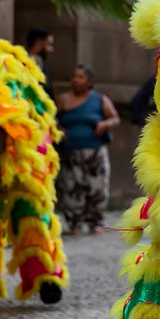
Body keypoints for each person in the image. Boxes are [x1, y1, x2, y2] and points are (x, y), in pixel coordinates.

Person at [55, 64, 120, 235]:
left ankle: (95, 222)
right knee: (71, 187)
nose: (75, 80)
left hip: (95, 151)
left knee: (97, 187)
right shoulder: (63, 99)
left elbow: (114, 118)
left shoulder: (100, 100)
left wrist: (104, 124)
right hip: (71, 152)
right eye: (74, 76)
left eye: (80, 77)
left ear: (89, 82)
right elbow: (51, 118)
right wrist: (58, 129)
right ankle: (74, 223)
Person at [26, 27, 55, 99]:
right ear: (38, 44)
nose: (52, 50)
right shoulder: (22, 63)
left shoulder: (41, 63)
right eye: (49, 44)